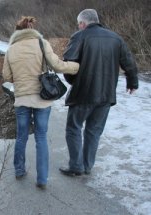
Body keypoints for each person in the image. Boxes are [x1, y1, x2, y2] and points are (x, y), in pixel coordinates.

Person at [2, 16, 79, 189]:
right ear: (32, 29)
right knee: (41, 137)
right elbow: (58, 66)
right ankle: (42, 179)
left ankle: (19, 170)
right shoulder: (42, 43)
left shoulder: (11, 49)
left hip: (21, 99)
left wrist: (21, 78)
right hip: (42, 99)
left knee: (21, 136)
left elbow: (6, 76)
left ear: (17, 31)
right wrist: (77, 66)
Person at [60, 9, 139, 176]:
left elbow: (68, 64)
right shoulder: (115, 38)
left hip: (83, 93)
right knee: (94, 130)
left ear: (82, 23)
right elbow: (129, 62)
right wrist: (132, 82)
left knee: (73, 128)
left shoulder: (79, 36)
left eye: (78, 24)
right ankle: (87, 166)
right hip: (106, 94)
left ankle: (76, 166)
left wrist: (73, 81)